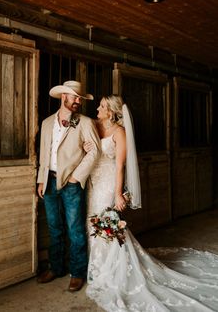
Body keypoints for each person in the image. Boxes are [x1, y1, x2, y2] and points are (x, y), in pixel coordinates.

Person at [85, 95, 218, 311]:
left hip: (109, 182)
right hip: (94, 180)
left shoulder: (120, 132)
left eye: (101, 106)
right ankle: (97, 266)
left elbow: (120, 167)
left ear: (111, 111)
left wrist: (118, 193)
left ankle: (113, 270)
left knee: (106, 223)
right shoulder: (93, 125)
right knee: (92, 223)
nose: (97, 108)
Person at [36, 80, 101, 292]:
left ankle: (77, 272)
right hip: (49, 181)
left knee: (75, 230)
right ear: (64, 97)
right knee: (54, 228)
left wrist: (76, 177)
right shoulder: (46, 123)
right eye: (75, 97)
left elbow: (95, 152)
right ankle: (56, 267)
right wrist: (41, 180)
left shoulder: (85, 122)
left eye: (80, 99)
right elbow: (44, 153)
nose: (78, 102)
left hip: (72, 183)